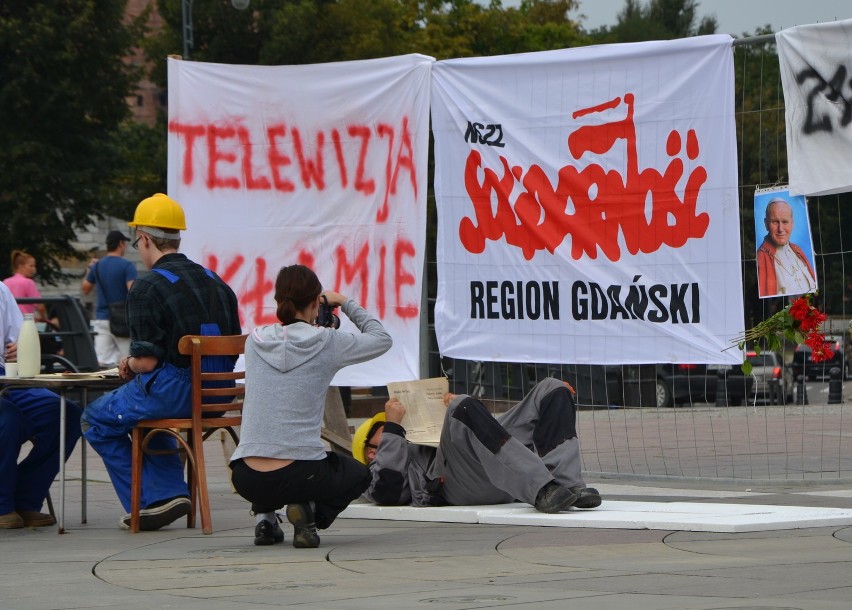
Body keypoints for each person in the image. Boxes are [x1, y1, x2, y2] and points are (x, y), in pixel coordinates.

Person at [81, 193, 241, 531]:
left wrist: (127, 361)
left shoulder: (146, 286)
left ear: (145, 238)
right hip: (220, 394)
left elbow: (147, 362)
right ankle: (170, 493)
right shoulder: (218, 282)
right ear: (177, 237)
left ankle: (148, 502)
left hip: (176, 391)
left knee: (94, 419)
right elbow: (233, 348)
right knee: (149, 416)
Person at [230, 264, 392, 549]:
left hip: (245, 475)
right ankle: (309, 516)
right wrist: (344, 302)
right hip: (302, 473)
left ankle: (265, 521)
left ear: (278, 300)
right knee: (359, 474)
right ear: (316, 302)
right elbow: (382, 339)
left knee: (269, 442)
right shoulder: (329, 341)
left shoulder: (254, 342)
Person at [354, 378, 601, 513]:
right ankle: (542, 490)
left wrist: (463, 411)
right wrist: (394, 429)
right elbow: (387, 492)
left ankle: (568, 486)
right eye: (386, 431)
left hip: (495, 474)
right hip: (455, 488)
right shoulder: (372, 472)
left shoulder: (411, 444)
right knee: (461, 405)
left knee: (553, 388)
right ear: (371, 452)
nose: (397, 429)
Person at [1, 281, 83, 528]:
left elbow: (17, 337)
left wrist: (18, 347)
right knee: (8, 418)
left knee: (65, 414)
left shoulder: (1, 291)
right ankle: (2, 504)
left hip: (7, 375)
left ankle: (25, 498)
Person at [81, 230, 137, 367]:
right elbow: (133, 292)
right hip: (122, 320)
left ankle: (102, 389)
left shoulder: (97, 266)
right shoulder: (127, 266)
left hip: (101, 318)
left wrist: (90, 268)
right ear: (121, 244)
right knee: (127, 361)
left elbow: (85, 289)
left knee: (102, 362)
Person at [757, 198, 817, 297]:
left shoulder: (797, 250)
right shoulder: (762, 256)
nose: (780, 229)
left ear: (792, 224)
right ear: (766, 224)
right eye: (775, 222)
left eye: (785, 222)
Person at [3, 250, 52, 324]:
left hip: (7, 323)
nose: (34, 269)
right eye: (31, 266)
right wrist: (43, 318)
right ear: (20, 266)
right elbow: (40, 307)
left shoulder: (6, 282)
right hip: (25, 323)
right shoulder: (28, 282)